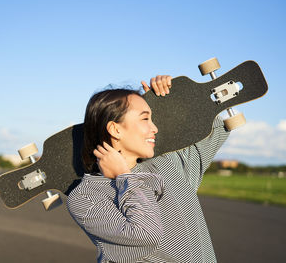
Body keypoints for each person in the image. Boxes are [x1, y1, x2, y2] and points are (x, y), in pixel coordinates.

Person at [66, 75, 230, 263]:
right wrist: (124, 176)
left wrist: (171, 100)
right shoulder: (86, 197)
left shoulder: (168, 165)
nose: (155, 128)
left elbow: (217, 127)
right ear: (115, 129)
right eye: (145, 119)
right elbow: (146, 235)